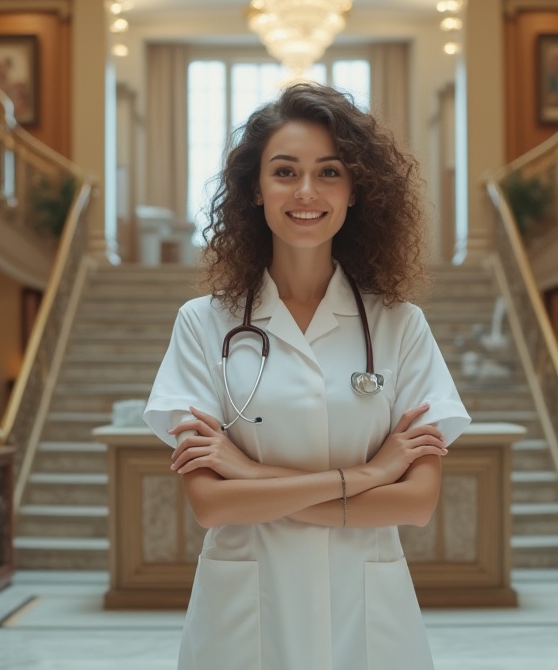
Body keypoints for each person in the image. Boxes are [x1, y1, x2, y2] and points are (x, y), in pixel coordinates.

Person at [143, 82, 470, 670]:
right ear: (255, 189)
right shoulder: (203, 324)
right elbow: (212, 506)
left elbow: (418, 501)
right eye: (285, 172)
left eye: (329, 172)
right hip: (246, 609)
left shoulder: (399, 326)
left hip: (367, 610)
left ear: (355, 191)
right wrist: (369, 475)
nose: (306, 192)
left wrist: (250, 476)